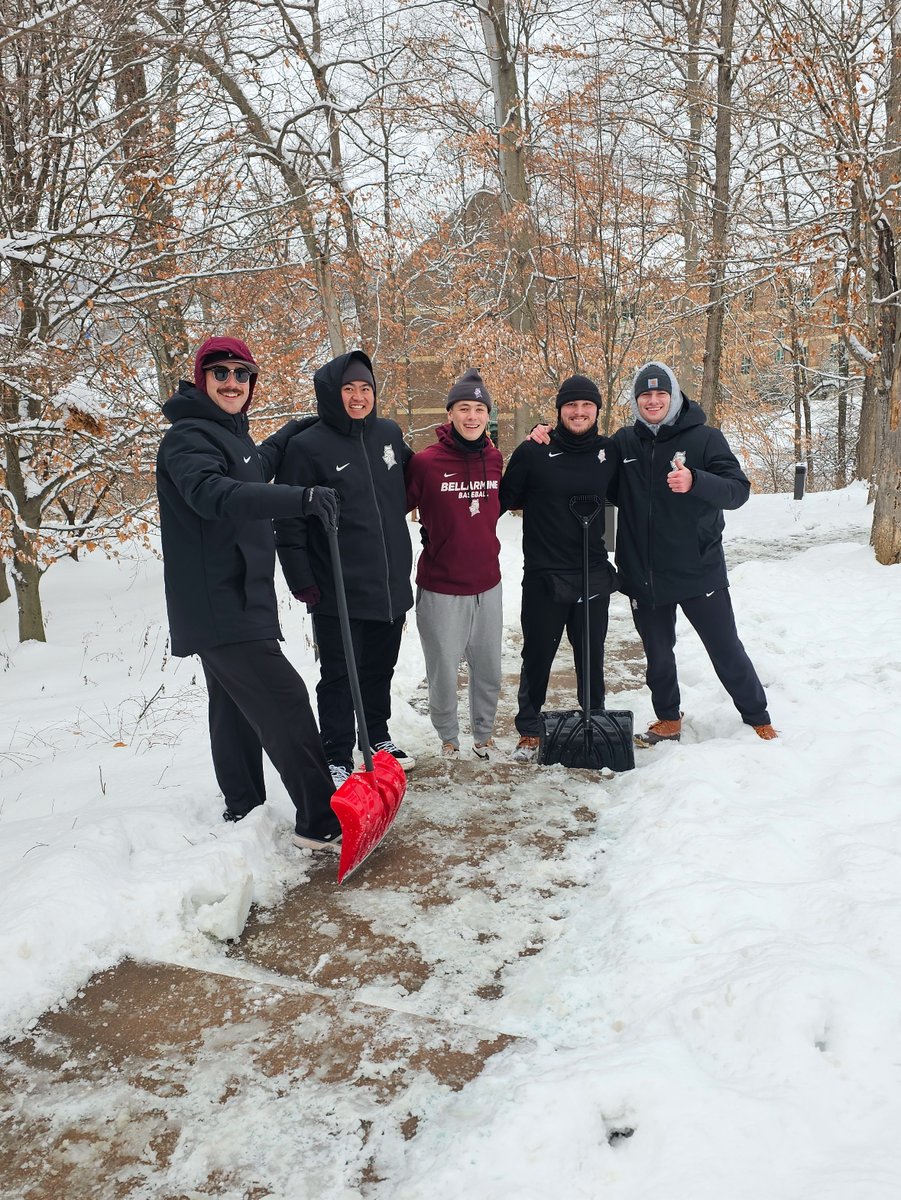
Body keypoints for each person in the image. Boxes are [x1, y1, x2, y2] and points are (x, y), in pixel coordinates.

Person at [155, 336, 343, 850]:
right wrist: (299, 498)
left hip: (239, 597)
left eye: (243, 375)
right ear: (202, 379)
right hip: (220, 600)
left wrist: (288, 434)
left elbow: (253, 467)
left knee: (234, 707)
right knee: (284, 699)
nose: (233, 382)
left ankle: (244, 807)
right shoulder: (187, 437)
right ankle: (321, 821)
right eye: (221, 373)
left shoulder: (228, 436)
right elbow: (213, 493)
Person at [611, 361, 777, 744]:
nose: (653, 400)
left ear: (674, 397)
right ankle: (668, 718)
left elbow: (737, 490)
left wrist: (696, 480)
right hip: (645, 573)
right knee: (658, 654)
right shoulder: (624, 443)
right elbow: (588, 466)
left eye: (660, 393)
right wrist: (547, 439)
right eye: (645, 395)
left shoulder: (705, 439)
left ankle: (757, 715)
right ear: (636, 401)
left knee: (725, 647)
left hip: (697, 568)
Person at [274, 350, 415, 785]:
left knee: (380, 667)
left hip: (389, 582)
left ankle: (375, 735)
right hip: (336, 587)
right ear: (331, 393)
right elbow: (288, 520)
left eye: (366, 388)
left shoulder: (389, 434)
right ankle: (335, 752)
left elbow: (419, 479)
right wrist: (302, 581)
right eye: (349, 388)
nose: (358, 397)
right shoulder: (307, 446)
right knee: (338, 675)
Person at [499, 375, 620, 762]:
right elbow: (505, 497)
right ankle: (530, 727)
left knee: (591, 654)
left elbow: (630, 494)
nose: (579, 412)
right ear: (560, 410)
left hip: (592, 571)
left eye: (587, 406)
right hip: (545, 574)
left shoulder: (608, 452)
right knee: (537, 654)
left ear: (597, 411)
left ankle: (595, 719)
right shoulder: (535, 450)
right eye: (572, 405)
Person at [405, 368, 504, 760]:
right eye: (464, 408)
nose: (472, 417)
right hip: (441, 587)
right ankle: (448, 737)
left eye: (479, 409)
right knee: (444, 671)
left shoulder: (494, 459)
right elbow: (393, 508)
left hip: (487, 585)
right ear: (450, 414)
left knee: (488, 669)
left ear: (487, 415)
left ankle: (484, 734)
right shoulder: (426, 464)